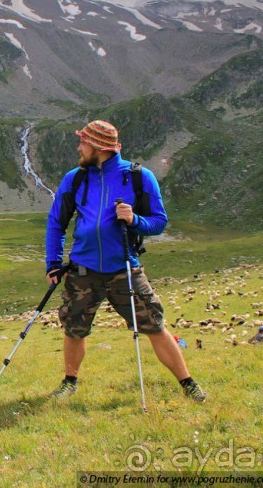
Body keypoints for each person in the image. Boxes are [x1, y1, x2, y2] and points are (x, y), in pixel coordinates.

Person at [44, 120, 207, 402]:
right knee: (74, 329)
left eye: (83, 143)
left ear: (98, 147)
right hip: (83, 270)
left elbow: (159, 222)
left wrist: (134, 220)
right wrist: (53, 263)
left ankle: (188, 383)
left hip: (125, 269)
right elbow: (56, 222)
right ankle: (69, 382)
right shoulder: (74, 178)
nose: (79, 148)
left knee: (154, 325)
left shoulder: (140, 177)